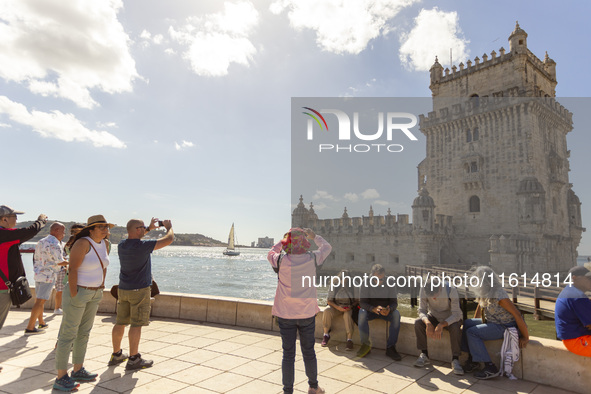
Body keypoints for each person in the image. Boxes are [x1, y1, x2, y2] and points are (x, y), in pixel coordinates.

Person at [54, 215, 114, 392]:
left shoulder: (106, 244)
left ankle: (78, 370)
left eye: (106, 226)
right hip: (79, 292)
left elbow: (103, 266)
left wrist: (101, 286)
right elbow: (72, 269)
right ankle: (60, 377)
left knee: (84, 333)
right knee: (68, 334)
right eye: (101, 226)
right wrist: (74, 294)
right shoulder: (83, 243)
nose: (105, 229)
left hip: (94, 293)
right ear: (91, 229)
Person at [268, 228, 331, 394]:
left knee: (288, 354)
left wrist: (282, 241)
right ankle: (313, 387)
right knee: (309, 352)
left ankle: (288, 391)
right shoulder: (312, 258)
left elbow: (270, 252)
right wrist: (314, 236)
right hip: (306, 314)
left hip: (285, 314)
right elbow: (327, 248)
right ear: (304, 242)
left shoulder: (280, 259)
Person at [109, 218, 174, 370]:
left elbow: (136, 235)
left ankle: (116, 354)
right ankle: (134, 359)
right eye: (143, 227)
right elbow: (169, 239)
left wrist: (149, 228)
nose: (144, 229)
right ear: (138, 229)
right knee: (136, 324)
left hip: (123, 289)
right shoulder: (143, 246)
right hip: (139, 290)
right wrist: (169, 227)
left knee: (120, 322)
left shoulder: (122, 245)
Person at [462, 266, 529, 379]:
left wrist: (525, 337)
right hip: (491, 321)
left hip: (503, 326)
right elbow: (480, 305)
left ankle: (490, 367)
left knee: (472, 333)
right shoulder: (485, 291)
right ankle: (473, 360)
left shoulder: (499, 295)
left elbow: (517, 314)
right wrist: (474, 322)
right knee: (468, 324)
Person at [0, 206, 47, 330]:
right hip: (2, 289)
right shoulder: (4, 235)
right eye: (14, 217)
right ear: (4, 219)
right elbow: (29, 231)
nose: (16, 220)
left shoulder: (6, 237)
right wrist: (41, 221)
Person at [413, 276, 464, 375]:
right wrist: (427, 323)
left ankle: (455, 359)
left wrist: (442, 325)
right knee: (418, 323)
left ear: (440, 287)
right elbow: (421, 310)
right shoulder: (423, 288)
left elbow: (456, 314)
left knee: (455, 328)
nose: (434, 298)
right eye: (431, 296)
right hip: (434, 315)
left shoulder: (451, 290)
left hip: (451, 317)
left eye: (435, 296)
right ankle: (424, 354)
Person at [25, 222, 67, 334]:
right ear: (56, 230)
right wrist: (74, 261)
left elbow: (36, 258)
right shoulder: (55, 244)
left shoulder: (41, 241)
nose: (64, 234)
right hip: (48, 276)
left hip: (38, 274)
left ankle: (41, 322)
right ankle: (30, 327)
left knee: (39, 299)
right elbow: (60, 262)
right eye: (63, 231)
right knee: (40, 301)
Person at [357, 264, 401, 360]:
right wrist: (373, 308)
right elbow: (362, 302)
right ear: (372, 276)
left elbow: (394, 303)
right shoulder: (365, 282)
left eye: (382, 279)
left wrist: (390, 309)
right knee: (362, 313)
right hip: (370, 310)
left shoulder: (390, 282)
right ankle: (365, 345)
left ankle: (391, 347)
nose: (380, 282)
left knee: (396, 314)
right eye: (377, 279)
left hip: (385, 311)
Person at [555, 263, 591, 357]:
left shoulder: (569, 291)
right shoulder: (577, 296)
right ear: (574, 278)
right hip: (578, 341)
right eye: (588, 278)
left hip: (571, 340)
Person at [321, 269, 356, 350]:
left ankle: (349, 340)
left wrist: (350, 307)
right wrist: (338, 308)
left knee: (347, 315)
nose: (344, 281)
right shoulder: (334, 285)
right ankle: (326, 335)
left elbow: (357, 301)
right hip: (336, 306)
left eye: (346, 279)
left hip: (348, 307)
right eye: (342, 279)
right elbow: (329, 301)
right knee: (326, 311)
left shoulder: (354, 286)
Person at [55, 224, 84, 314]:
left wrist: (67, 265)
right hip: (78, 271)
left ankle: (68, 310)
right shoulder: (80, 243)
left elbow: (65, 257)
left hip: (69, 272)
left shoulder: (69, 243)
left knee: (69, 292)